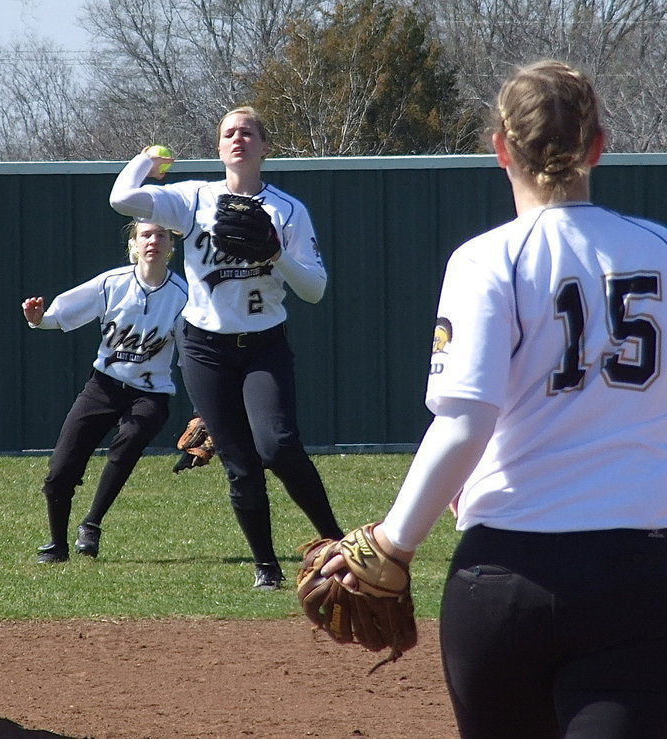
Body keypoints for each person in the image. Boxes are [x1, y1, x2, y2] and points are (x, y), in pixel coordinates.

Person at [323, 60, 667, 737]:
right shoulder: (660, 249)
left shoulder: (487, 260)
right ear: (599, 145)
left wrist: (392, 542)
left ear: (500, 146)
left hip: (505, 574)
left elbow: (464, 423)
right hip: (640, 576)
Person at [108, 106, 344, 590]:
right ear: (219, 148)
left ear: (264, 146)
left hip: (264, 346)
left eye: (248, 132)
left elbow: (315, 289)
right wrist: (146, 159)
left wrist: (276, 252)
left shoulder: (287, 210)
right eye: (229, 133)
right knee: (239, 462)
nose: (238, 139)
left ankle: (338, 543)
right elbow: (121, 198)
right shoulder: (193, 198)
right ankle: (267, 568)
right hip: (204, 349)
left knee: (276, 446)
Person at [22, 221, 188, 563]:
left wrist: (207, 412)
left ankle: (92, 523)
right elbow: (61, 314)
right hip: (104, 386)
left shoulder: (183, 295)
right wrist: (38, 319)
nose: (153, 240)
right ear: (133, 244)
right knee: (59, 472)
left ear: (171, 245)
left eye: (161, 235)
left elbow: (192, 357)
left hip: (151, 393)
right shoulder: (112, 283)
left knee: (130, 438)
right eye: (145, 234)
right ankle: (57, 546)